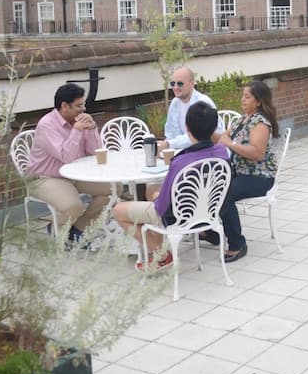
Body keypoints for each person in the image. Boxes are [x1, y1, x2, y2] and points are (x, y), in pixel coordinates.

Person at [113, 101, 228, 271]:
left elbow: (162, 206)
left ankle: (161, 254)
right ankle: (158, 246)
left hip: (178, 217)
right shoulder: (222, 153)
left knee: (118, 210)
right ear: (214, 128)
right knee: (152, 189)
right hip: (209, 212)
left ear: (187, 128)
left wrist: (155, 199)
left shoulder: (182, 161)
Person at [27, 83, 111, 244]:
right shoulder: (47, 125)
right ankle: (56, 231)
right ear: (65, 106)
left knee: (113, 188)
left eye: (83, 104)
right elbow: (66, 156)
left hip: (75, 174)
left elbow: (94, 152)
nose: (83, 109)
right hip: (46, 178)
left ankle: (78, 228)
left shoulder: (77, 120)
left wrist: (92, 128)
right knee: (73, 205)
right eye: (78, 106)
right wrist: (77, 131)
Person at [209, 79, 280, 262]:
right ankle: (209, 232)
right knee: (208, 184)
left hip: (259, 176)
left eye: (247, 97)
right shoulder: (242, 119)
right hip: (240, 173)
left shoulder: (261, 123)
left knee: (223, 193)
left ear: (259, 101)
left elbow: (257, 153)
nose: (242, 100)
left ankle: (237, 244)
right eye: (243, 96)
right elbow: (222, 139)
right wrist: (204, 129)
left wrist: (231, 144)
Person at [159, 66, 224, 151]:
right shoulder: (175, 103)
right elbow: (170, 132)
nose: (175, 87)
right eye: (172, 83)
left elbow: (198, 137)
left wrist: (169, 144)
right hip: (181, 151)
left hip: (206, 151)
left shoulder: (202, 104)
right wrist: (164, 146)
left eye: (180, 84)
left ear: (192, 83)